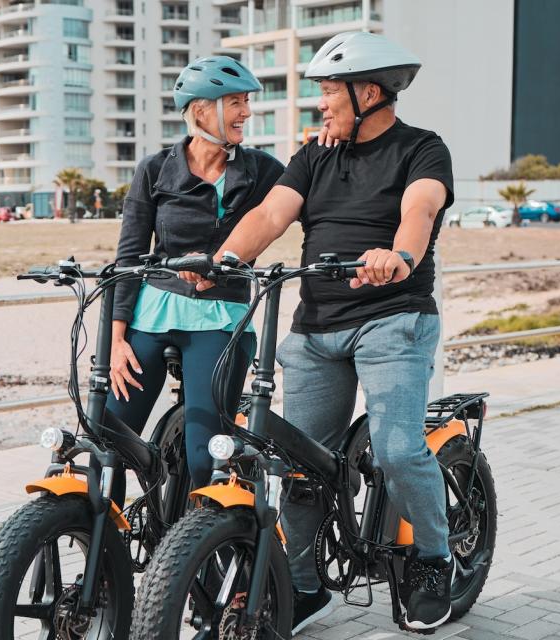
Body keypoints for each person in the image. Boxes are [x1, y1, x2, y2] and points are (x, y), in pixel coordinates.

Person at [193, 31, 456, 632]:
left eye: (330, 92)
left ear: (369, 93)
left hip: (394, 319)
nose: (322, 104)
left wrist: (400, 256)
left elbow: (420, 209)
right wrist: (227, 258)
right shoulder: (313, 156)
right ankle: (305, 586)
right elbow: (269, 215)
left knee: (395, 449)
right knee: (301, 462)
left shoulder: (422, 148)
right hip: (315, 327)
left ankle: (434, 558)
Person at [107, 56, 284, 507]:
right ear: (201, 110)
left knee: (206, 455)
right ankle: (118, 527)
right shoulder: (155, 169)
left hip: (222, 319)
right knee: (107, 434)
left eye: (246, 102)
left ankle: (204, 554)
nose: (246, 112)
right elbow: (129, 255)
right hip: (153, 312)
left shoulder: (263, 170)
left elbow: (300, 200)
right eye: (236, 102)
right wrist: (115, 338)